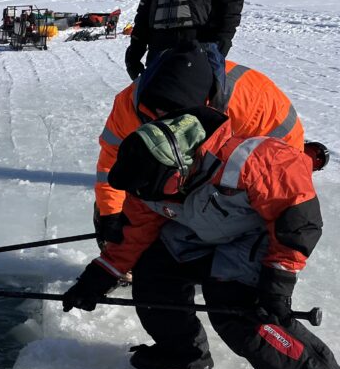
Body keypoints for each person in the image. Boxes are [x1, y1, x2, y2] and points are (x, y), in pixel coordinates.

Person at [63, 108, 340, 369]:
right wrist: (98, 276)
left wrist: (278, 280)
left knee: (238, 312)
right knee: (154, 274)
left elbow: (298, 220)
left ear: (179, 169)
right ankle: (182, 351)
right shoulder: (147, 182)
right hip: (203, 226)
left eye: (149, 191)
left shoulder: (253, 161)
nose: (142, 197)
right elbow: (135, 233)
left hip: (259, 234)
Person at [95, 41, 326, 247]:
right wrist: (110, 213)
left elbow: (285, 177)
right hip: (198, 165)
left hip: (258, 162)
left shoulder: (253, 105)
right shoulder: (130, 105)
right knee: (144, 186)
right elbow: (112, 160)